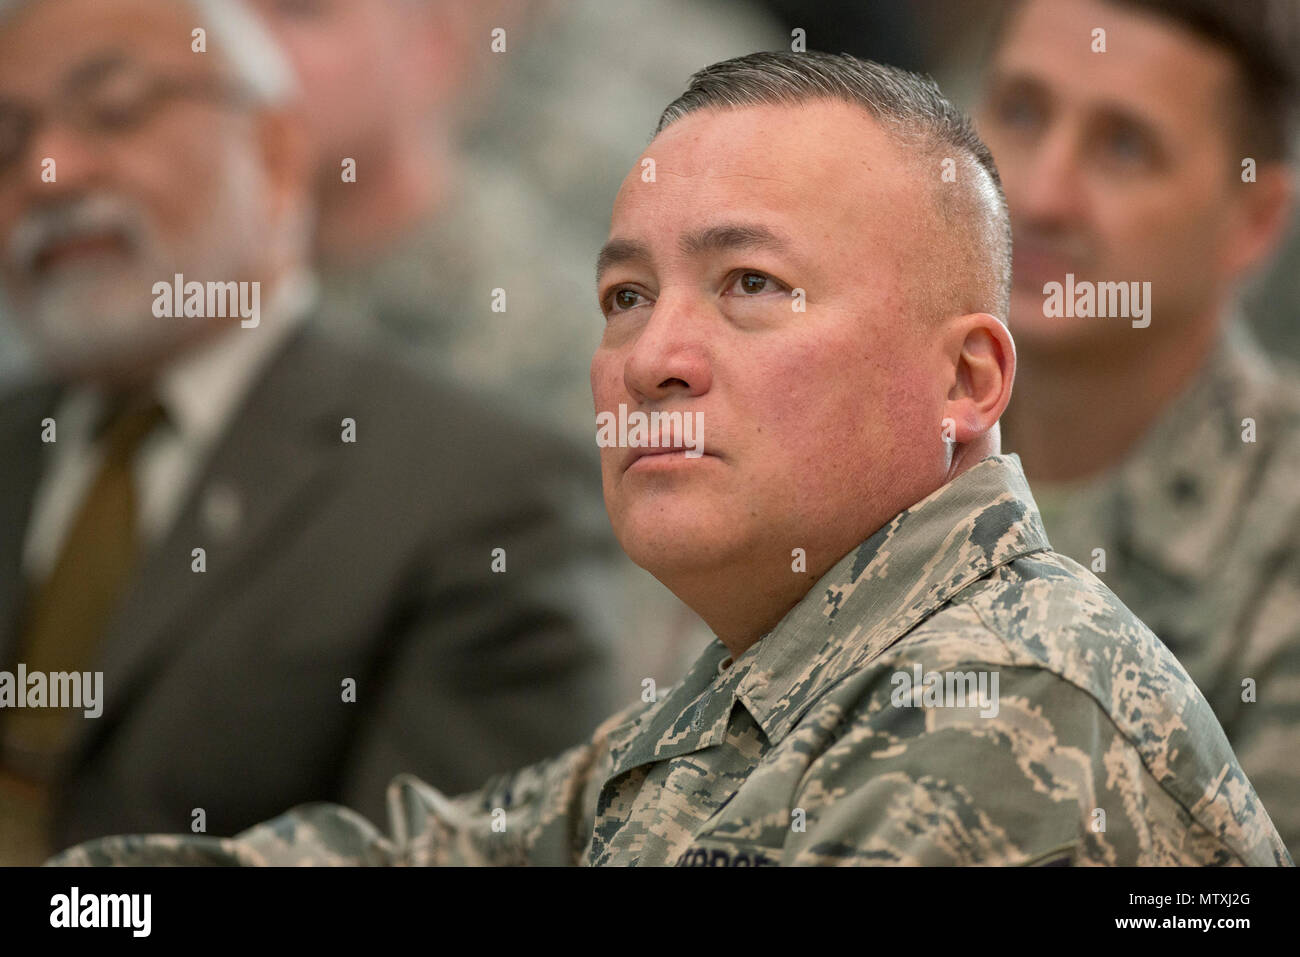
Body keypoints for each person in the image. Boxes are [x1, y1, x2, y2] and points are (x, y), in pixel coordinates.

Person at [51, 50, 1289, 867]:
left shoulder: (995, 703)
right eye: (625, 295)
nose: (653, 358)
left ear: (965, 382)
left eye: (752, 285)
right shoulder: (784, 668)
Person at [0, 0, 619, 864]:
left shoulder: (490, 497)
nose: (50, 171)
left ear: (276, 150)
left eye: (116, 111)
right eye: (7, 140)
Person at [975, 0, 1300, 854]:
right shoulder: (840, 442)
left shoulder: (1281, 538)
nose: (1041, 193)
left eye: (1124, 146)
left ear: (1254, 220)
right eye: (1020, 111)